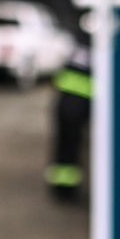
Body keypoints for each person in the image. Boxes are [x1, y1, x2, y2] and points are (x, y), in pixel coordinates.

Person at [46, 41, 92, 201]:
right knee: (69, 145)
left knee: (65, 145)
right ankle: (65, 189)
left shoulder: (80, 46)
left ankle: (62, 187)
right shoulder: (94, 47)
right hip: (78, 103)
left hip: (66, 101)